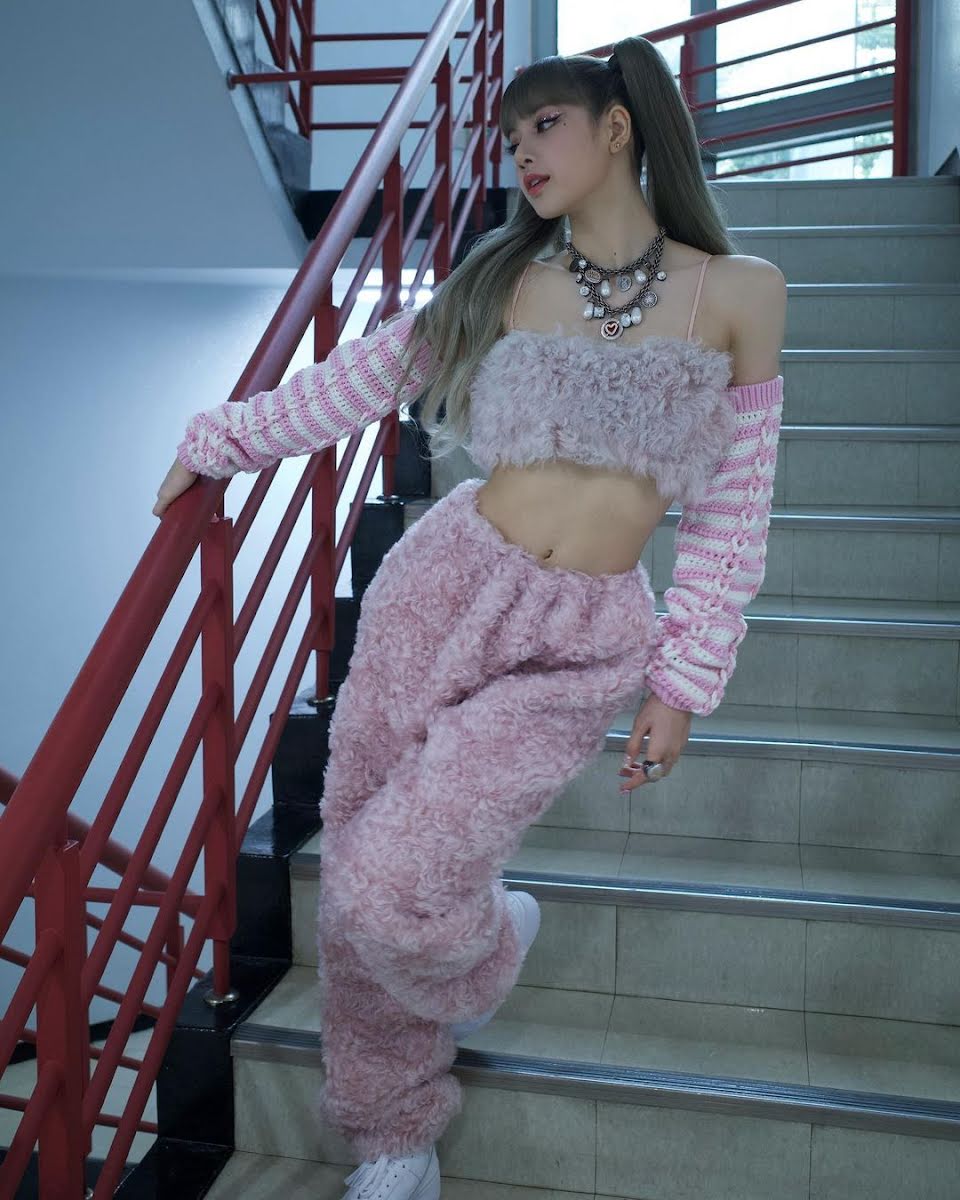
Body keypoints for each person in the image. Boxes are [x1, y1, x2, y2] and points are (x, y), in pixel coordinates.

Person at [155, 36, 785, 1200]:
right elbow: (356, 380)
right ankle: (393, 1132)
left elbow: (731, 518)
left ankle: (489, 942)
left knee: (392, 881)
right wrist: (220, 442)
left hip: (583, 639)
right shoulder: (506, 278)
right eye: (508, 137)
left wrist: (682, 684)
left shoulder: (738, 292)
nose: (521, 154)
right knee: (355, 853)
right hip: (442, 587)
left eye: (544, 125)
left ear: (617, 128)